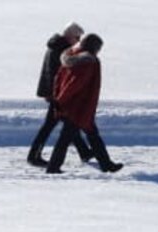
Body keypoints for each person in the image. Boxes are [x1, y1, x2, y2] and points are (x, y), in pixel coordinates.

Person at [45, 33, 123, 174]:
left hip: (73, 105)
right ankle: (53, 167)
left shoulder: (70, 56)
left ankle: (106, 164)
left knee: (92, 134)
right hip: (80, 107)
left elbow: (59, 79)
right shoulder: (88, 61)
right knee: (67, 137)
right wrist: (60, 100)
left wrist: (58, 98)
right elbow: (75, 84)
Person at [26, 23, 93, 167]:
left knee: (68, 122)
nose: (78, 40)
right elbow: (57, 74)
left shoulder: (56, 46)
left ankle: (84, 152)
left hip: (54, 93)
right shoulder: (61, 49)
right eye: (77, 37)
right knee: (51, 125)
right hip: (57, 94)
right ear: (70, 36)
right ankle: (33, 156)